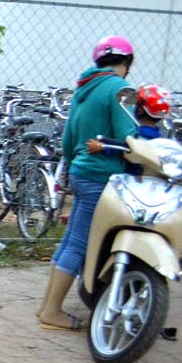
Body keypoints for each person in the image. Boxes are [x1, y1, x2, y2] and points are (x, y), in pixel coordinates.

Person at [37, 36, 139, 331]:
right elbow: (127, 135)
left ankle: (46, 306)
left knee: (70, 240)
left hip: (80, 170)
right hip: (101, 174)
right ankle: (52, 311)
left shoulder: (84, 87)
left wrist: (74, 162)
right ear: (127, 63)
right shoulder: (121, 89)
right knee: (80, 244)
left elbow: (69, 137)